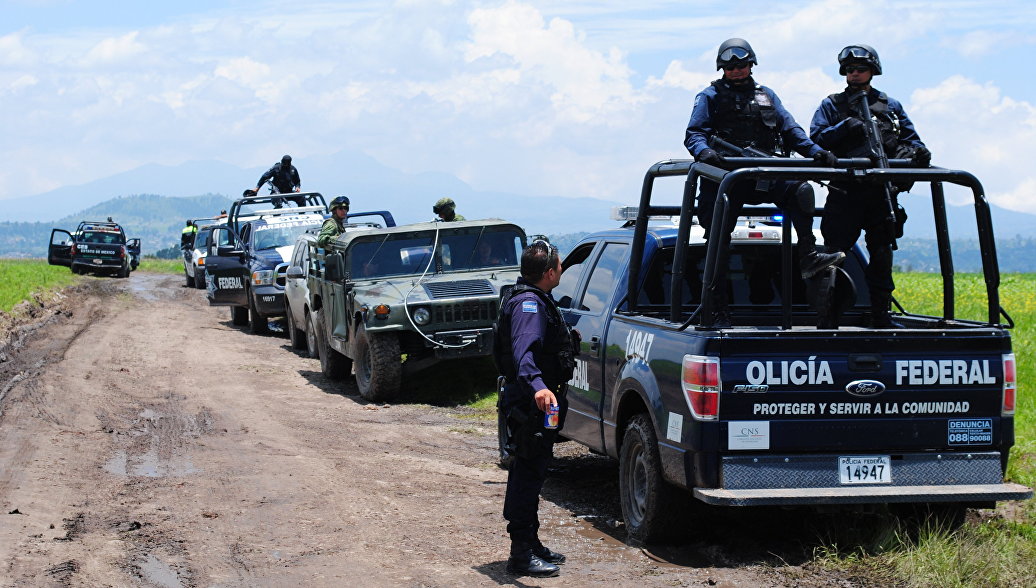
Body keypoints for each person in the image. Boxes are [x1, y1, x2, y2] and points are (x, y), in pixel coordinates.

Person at [684, 38, 844, 325]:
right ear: (722, 68)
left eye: (741, 65)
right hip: (726, 176)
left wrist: (817, 152)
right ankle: (716, 310)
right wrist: (706, 152)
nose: (736, 70)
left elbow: (791, 129)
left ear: (751, 65)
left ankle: (808, 255)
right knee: (717, 244)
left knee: (802, 190)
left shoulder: (766, 95)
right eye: (730, 66)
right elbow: (694, 134)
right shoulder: (709, 96)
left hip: (764, 171)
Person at [810, 44, 930, 328]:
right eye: (850, 70)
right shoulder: (832, 105)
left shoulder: (890, 107)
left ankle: (881, 315)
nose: (854, 74)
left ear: (872, 71)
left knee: (882, 256)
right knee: (833, 258)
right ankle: (828, 319)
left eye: (860, 69)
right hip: (845, 193)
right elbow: (814, 140)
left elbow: (911, 141)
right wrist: (845, 127)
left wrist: (918, 153)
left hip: (881, 193)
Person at [494, 241, 578, 578]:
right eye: (559, 267)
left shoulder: (532, 297)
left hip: (532, 403)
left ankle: (532, 542)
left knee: (533, 470)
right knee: (527, 475)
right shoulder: (529, 304)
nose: (561, 271)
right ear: (549, 272)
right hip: (530, 403)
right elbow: (523, 354)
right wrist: (539, 386)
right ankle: (521, 555)